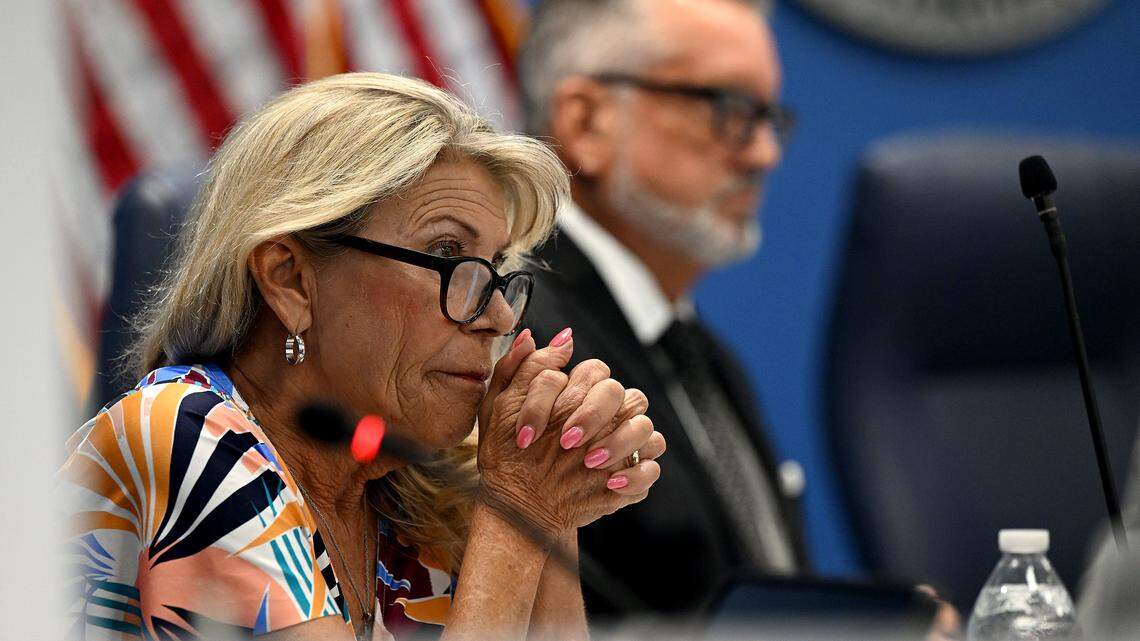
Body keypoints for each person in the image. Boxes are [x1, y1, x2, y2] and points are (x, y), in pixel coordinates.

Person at [58, 72, 667, 641]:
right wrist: (520, 505)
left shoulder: (414, 488)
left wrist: (552, 473)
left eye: (498, 273)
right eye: (451, 258)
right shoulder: (183, 438)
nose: (499, 315)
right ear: (291, 280)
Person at [517, 0, 806, 617]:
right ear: (586, 121)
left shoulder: (700, 352)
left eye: (769, 116)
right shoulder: (520, 337)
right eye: (728, 109)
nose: (764, 154)